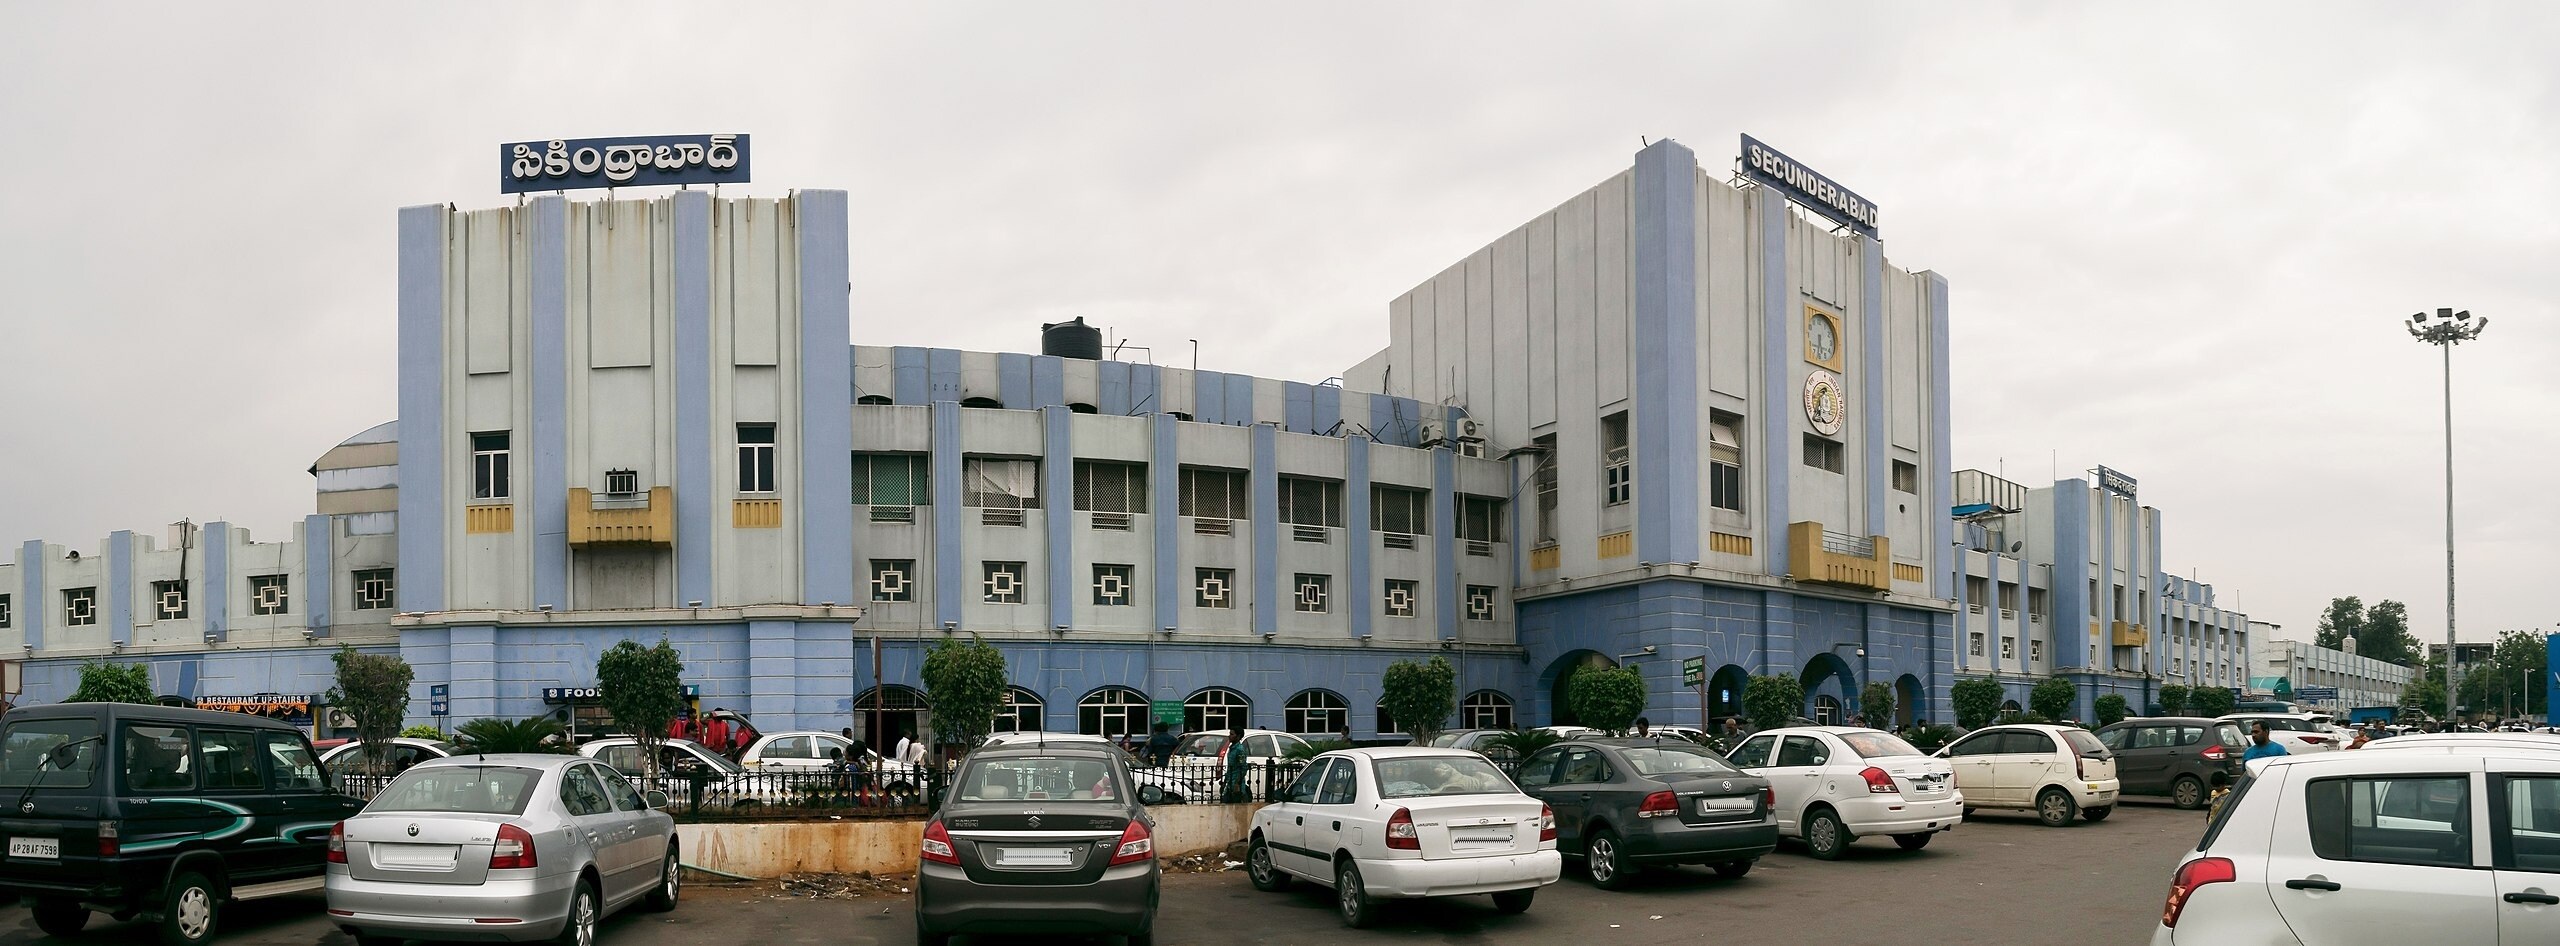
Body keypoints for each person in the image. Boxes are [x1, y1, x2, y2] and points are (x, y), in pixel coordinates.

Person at [1220, 726, 1250, 803]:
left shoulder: (1239, 749)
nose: (1229, 736)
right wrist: (1225, 782)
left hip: (1237, 784)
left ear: (1238, 736)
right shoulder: (1232, 748)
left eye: (1232, 734)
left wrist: (1237, 783)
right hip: (1230, 781)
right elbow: (1230, 767)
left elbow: (1243, 768)